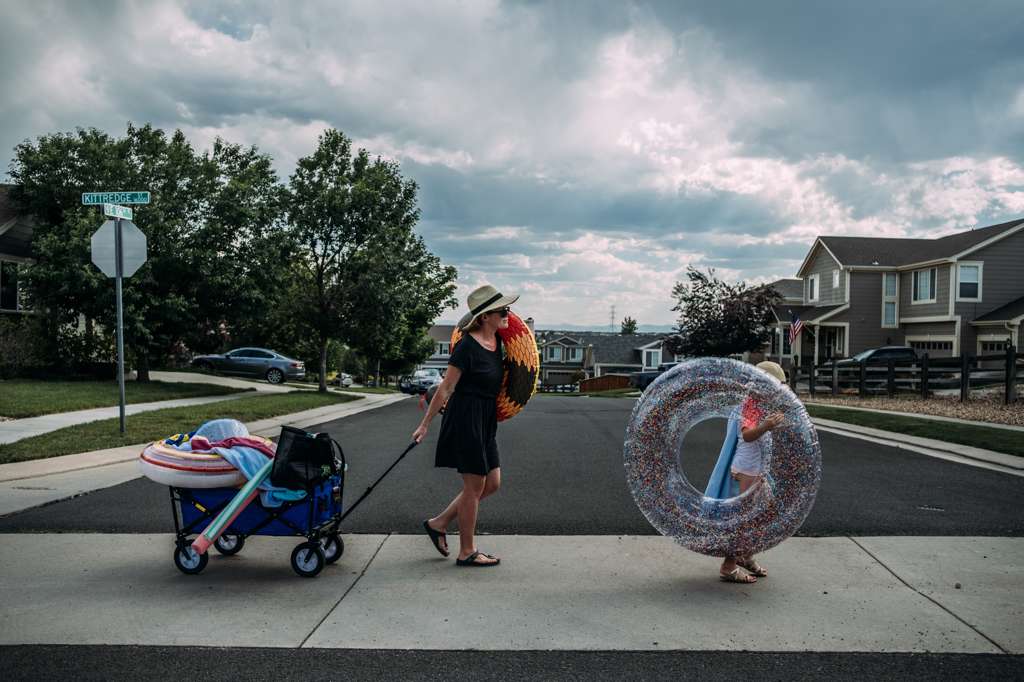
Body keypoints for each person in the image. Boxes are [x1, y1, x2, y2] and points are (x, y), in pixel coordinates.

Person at [412, 284, 518, 567]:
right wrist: (425, 425)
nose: (507, 314)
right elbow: (445, 389)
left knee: (492, 483)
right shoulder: (466, 346)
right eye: (502, 310)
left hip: (485, 419)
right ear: (485, 316)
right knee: (475, 485)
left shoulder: (498, 345)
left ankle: (439, 523)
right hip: (464, 417)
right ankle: (467, 551)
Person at [719, 361, 787, 584]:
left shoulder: (759, 405)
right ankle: (728, 566)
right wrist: (766, 426)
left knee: (757, 516)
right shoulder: (750, 405)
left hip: (754, 469)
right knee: (743, 519)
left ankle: (746, 557)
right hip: (746, 470)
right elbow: (747, 435)